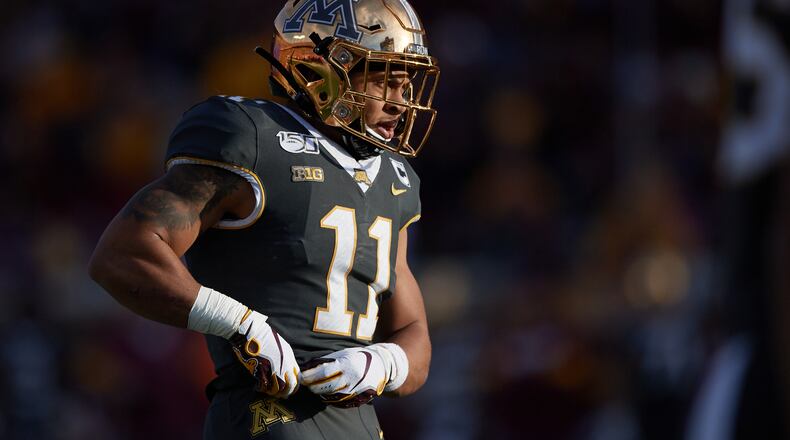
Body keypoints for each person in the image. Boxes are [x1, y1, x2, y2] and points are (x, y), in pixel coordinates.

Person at [88, 0, 440, 438]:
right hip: (263, 416)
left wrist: (383, 362)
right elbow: (123, 254)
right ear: (324, 68)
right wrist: (237, 322)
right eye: (386, 80)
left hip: (358, 424)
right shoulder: (253, 136)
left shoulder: (396, 178)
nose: (401, 103)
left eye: (406, 84)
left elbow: (413, 335)